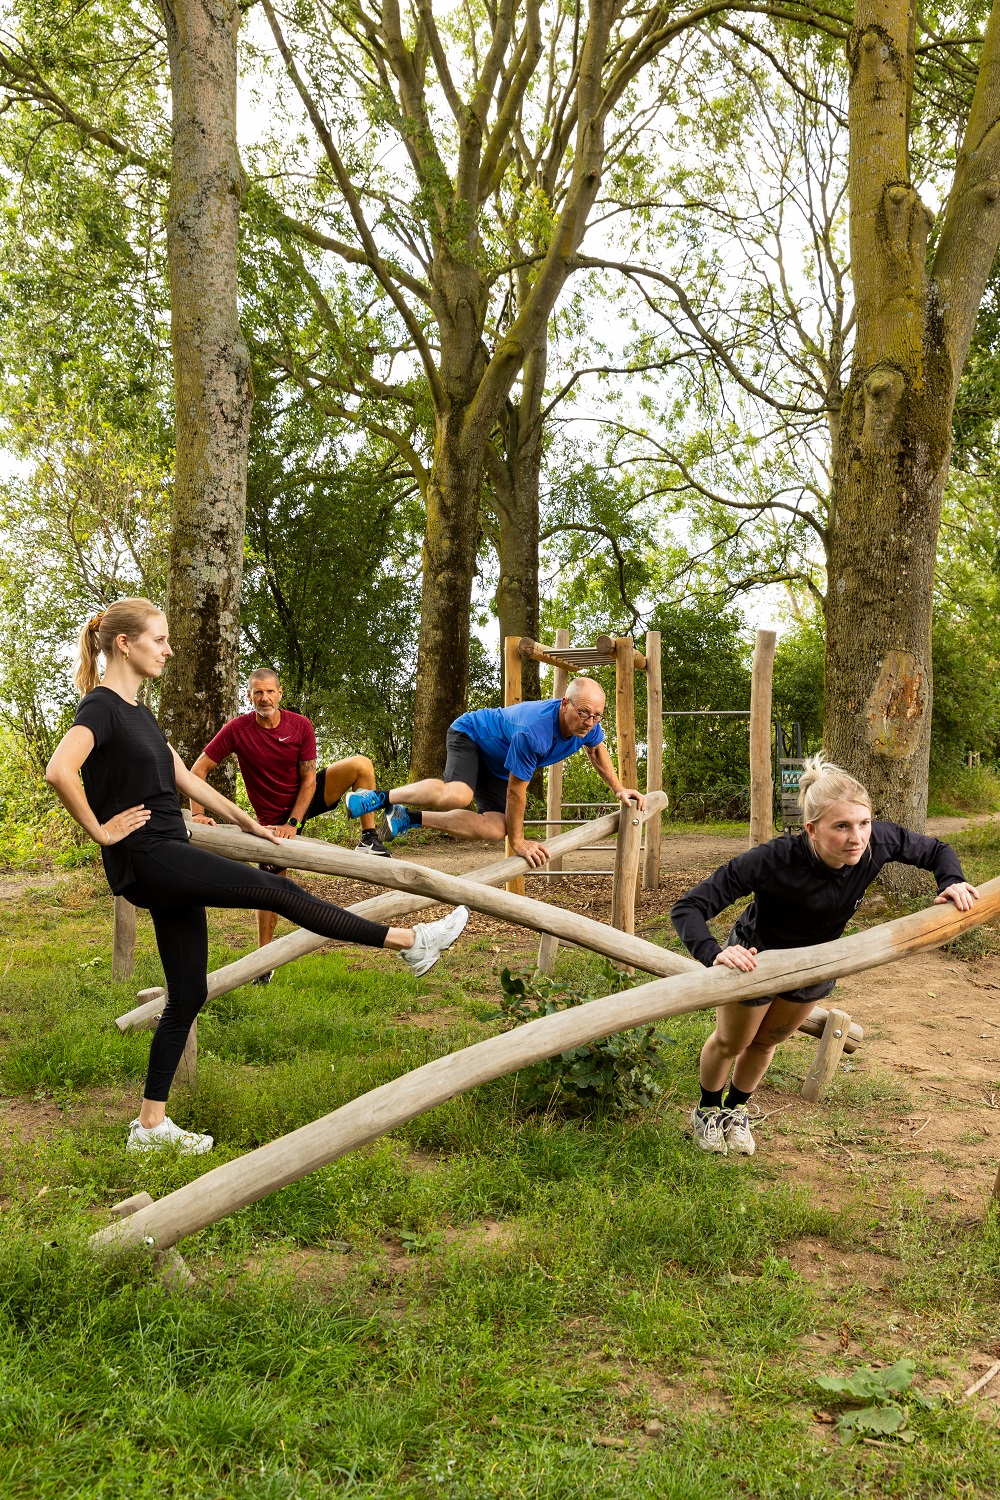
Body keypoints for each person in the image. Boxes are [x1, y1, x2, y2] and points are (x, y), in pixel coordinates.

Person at [45, 599, 469, 1157]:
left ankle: (149, 1126)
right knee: (277, 890)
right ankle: (411, 943)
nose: (168, 650)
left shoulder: (139, 713)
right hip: (149, 854)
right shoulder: (101, 706)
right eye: (159, 639)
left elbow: (187, 780)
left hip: (165, 855)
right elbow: (59, 770)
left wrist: (250, 824)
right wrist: (102, 832)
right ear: (124, 644)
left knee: (189, 991)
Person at [671, 754, 978, 1159]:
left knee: (767, 1042)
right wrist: (715, 953)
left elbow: (936, 850)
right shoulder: (773, 859)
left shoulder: (878, 842)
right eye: (842, 826)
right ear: (812, 829)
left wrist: (953, 881)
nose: (857, 837)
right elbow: (688, 908)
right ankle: (708, 1111)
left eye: (864, 823)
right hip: (755, 962)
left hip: (817, 963)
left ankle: (735, 1111)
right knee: (733, 1041)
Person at [189, 667, 387, 974]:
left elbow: (309, 779)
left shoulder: (300, 725)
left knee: (361, 765)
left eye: (270, 691)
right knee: (271, 890)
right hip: (271, 819)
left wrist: (293, 823)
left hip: (306, 799)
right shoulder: (237, 729)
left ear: (280, 693)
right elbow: (197, 771)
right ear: (249, 695)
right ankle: (263, 963)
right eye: (258, 692)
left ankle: (369, 837)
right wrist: (198, 814)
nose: (265, 698)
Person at [343, 677, 645, 867]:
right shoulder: (534, 732)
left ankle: (408, 818)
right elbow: (515, 792)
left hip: (499, 764)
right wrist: (519, 842)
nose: (589, 722)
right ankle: (378, 798)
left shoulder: (588, 726)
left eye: (596, 715)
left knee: (496, 827)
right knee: (459, 795)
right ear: (565, 703)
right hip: (473, 735)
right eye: (583, 713)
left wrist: (618, 788)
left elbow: (596, 749)